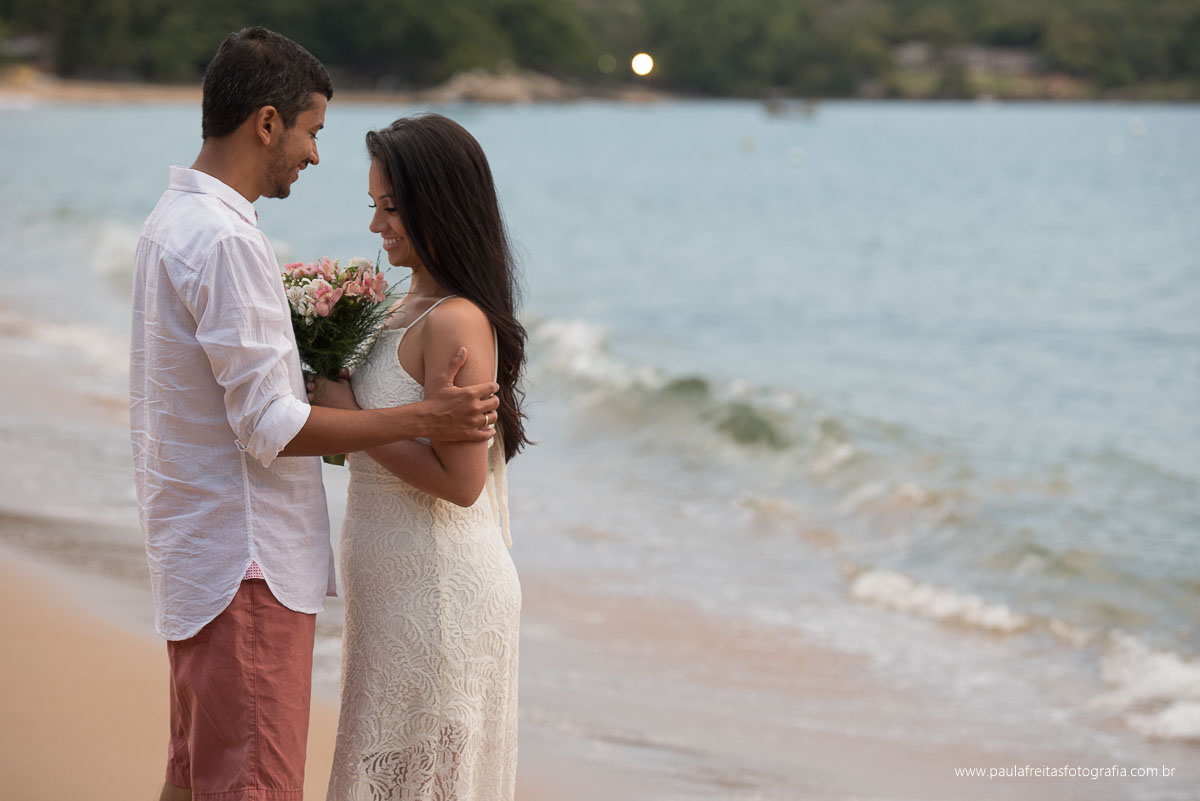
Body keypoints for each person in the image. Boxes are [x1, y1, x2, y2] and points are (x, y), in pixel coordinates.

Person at [129, 30, 499, 801]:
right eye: (312, 130)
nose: (315, 154)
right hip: (247, 563)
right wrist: (419, 416)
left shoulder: (172, 221)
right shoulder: (226, 241)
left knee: (196, 779)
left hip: (205, 556)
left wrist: (342, 393)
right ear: (267, 123)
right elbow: (271, 426)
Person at [312, 114, 528, 800]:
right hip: (389, 582)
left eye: (392, 207)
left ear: (440, 203)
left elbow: (462, 483)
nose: (377, 225)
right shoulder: (398, 305)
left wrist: (353, 419)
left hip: (438, 588)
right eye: (374, 204)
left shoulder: (455, 319)